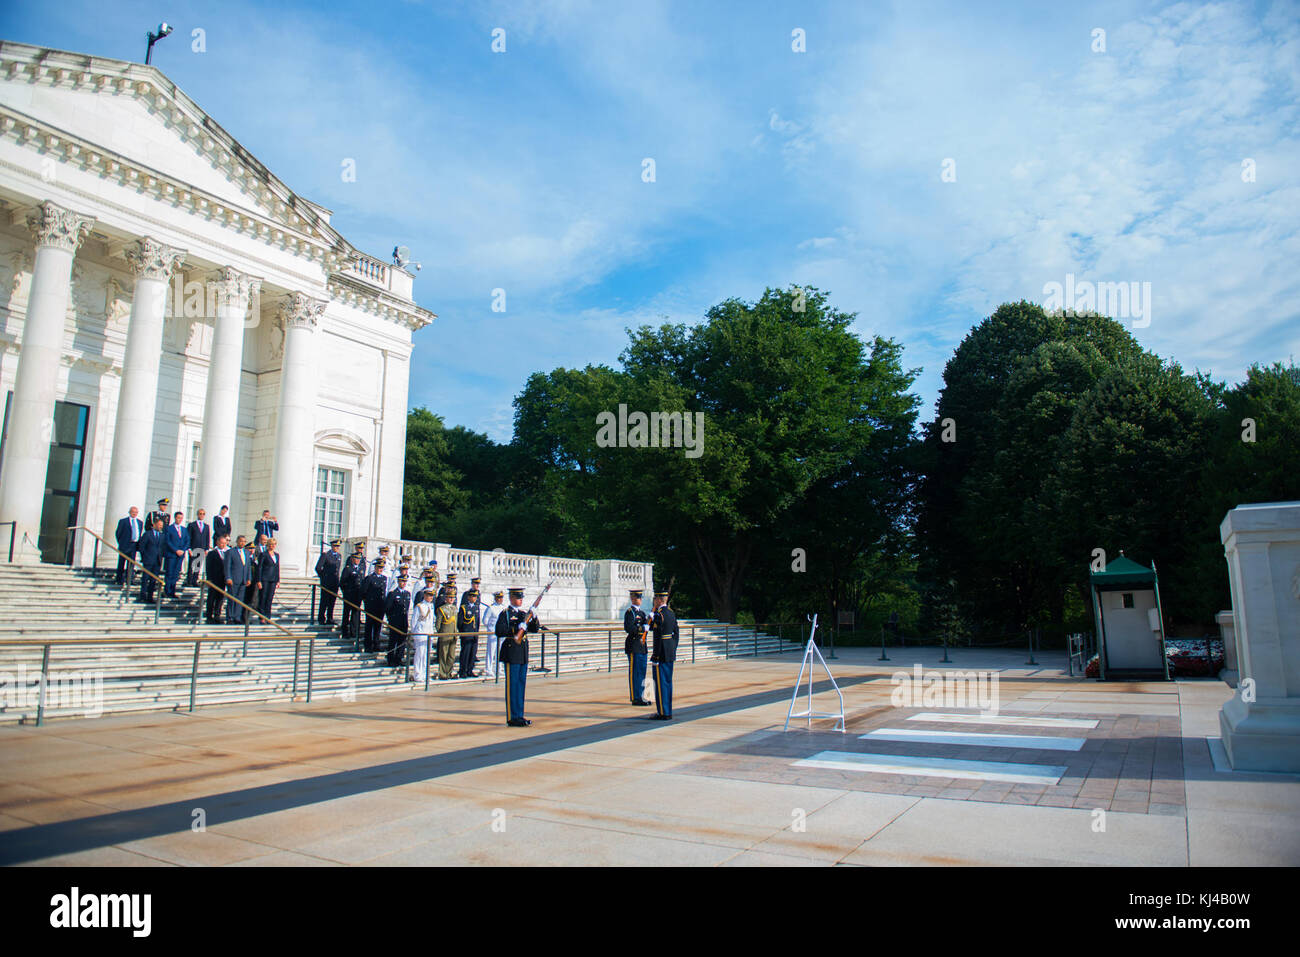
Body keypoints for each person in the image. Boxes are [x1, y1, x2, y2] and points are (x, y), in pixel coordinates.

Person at [496, 586, 540, 726]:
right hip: (511, 652)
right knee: (512, 685)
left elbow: (534, 629)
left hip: (522, 653)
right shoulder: (505, 614)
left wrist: (534, 616)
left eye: (521, 598)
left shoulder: (523, 614)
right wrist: (516, 628)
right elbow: (500, 630)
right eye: (518, 597)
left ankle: (519, 715)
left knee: (521, 685)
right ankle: (512, 717)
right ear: (511, 598)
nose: (520, 600)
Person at [648, 590, 678, 721]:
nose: (654, 601)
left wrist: (656, 656)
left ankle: (663, 712)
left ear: (659, 600)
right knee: (668, 682)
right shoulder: (671, 614)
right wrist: (672, 648)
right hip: (670, 651)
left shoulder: (659, 615)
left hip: (661, 653)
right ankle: (668, 710)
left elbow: (657, 637)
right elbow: (676, 633)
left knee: (660, 683)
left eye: (655, 599)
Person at [623, 589, 652, 706]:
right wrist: (641, 629)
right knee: (635, 672)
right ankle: (635, 697)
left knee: (642, 672)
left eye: (641, 598)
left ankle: (641, 695)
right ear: (633, 599)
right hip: (634, 646)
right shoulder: (630, 613)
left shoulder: (642, 613)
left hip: (642, 646)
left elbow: (647, 626)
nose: (640, 600)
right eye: (638, 598)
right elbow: (628, 628)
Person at [361, 558, 389, 653]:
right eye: (378, 567)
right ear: (375, 567)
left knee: (378, 626)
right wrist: (367, 603)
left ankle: (376, 644)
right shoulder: (369, 578)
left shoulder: (384, 578)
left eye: (381, 568)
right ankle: (368, 645)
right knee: (369, 626)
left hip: (380, 606)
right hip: (371, 606)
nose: (380, 569)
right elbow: (364, 592)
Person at [410, 586, 437, 684]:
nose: (431, 597)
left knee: (426, 656)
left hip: (428, 634)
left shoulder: (431, 606)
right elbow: (414, 622)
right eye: (429, 595)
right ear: (425, 595)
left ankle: (425, 674)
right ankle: (418, 674)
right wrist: (415, 634)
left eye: (432, 595)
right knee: (419, 655)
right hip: (420, 634)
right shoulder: (419, 606)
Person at [386, 574, 412, 667]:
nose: (403, 583)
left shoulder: (407, 594)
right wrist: (390, 619)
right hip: (395, 621)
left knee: (402, 641)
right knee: (393, 641)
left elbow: (407, 608)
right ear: (398, 582)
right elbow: (388, 608)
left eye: (405, 582)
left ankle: (399, 658)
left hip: (403, 621)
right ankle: (390, 659)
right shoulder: (393, 594)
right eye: (402, 581)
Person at [137, 517, 165, 604]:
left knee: (153, 580)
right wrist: (144, 557)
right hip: (148, 560)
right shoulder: (147, 534)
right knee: (145, 579)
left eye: (162, 526)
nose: (160, 527)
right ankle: (143, 596)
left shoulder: (162, 536)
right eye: (159, 525)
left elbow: (163, 548)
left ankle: (150, 597)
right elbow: (141, 547)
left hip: (157, 561)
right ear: (154, 525)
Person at [224, 535, 251, 624]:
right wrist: (228, 577)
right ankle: (230, 617)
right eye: (241, 541)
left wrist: (248, 578)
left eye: (244, 541)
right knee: (232, 599)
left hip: (243, 580)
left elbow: (248, 567)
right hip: (233, 579)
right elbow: (227, 566)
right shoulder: (230, 552)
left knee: (240, 599)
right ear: (237, 541)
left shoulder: (246, 552)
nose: (242, 543)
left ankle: (237, 617)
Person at [315, 539, 343, 626]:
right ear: (332, 546)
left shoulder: (339, 556)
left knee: (332, 601)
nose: (337, 548)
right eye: (335, 546)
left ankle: (329, 618)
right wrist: (324, 577)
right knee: (324, 601)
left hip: (335, 582)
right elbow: (318, 568)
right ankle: (321, 618)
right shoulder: (326, 555)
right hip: (326, 582)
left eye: (338, 546)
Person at [114, 505, 143, 586]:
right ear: (130, 512)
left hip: (134, 545)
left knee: (131, 564)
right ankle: (119, 579)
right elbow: (118, 533)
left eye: (136, 512)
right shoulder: (123, 521)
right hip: (125, 545)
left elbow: (139, 534)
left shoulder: (140, 522)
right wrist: (121, 543)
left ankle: (129, 579)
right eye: (133, 512)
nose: (134, 514)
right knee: (121, 563)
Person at [457, 588, 482, 678]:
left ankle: (470, 670)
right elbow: (460, 622)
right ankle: (463, 671)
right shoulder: (464, 608)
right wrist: (463, 632)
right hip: (466, 634)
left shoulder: (476, 608)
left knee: (472, 653)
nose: (474, 598)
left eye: (475, 596)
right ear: (469, 597)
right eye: (473, 596)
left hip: (474, 634)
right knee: (465, 653)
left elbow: (478, 621)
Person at [436, 583, 459, 679]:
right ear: (446, 598)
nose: (451, 600)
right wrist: (441, 633)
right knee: (443, 655)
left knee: (451, 656)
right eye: (450, 598)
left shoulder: (455, 608)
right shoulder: (442, 609)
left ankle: (449, 672)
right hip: (445, 634)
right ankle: (442, 673)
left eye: (453, 598)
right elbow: (438, 624)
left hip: (453, 634)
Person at [163, 510, 189, 597]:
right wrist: (175, 550)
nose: (180, 519)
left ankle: (172, 591)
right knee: (169, 573)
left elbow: (187, 541)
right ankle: (167, 591)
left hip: (180, 555)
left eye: (181, 518)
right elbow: (167, 541)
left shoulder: (184, 529)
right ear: (175, 518)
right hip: (172, 554)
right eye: (178, 518)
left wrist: (183, 550)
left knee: (176, 574)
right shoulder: (169, 528)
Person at [204, 533, 229, 623]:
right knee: (211, 598)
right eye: (221, 543)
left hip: (222, 579)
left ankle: (217, 615)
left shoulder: (227, 553)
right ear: (217, 543)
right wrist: (209, 578)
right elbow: (208, 566)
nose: (223, 545)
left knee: (220, 598)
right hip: (214, 579)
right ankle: (209, 616)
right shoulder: (212, 553)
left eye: (224, 543)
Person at [340, 552, 364, 640]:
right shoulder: (348, 569)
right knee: (346, 613)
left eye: (359, 559)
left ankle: (354, 632)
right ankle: (345, 632)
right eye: (356, 559)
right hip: (349, 595)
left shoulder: (361, 569)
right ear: (352, 559)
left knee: (355, 614)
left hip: (357, 596)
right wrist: (346, 593)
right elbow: (342, 582)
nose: (357, 560)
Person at [481, 590, 505, 677]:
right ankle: (488, 669)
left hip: (501, 632)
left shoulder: (503, 608)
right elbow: (485, 620)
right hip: (493, 632)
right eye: (499, 597)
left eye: (501, 597)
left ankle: (499, 668)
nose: (500, 599)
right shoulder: (491, 608)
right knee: (491, 651)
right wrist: (490, 628)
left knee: (500, 651)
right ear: (495, 598)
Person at [255, 538, 281, 619]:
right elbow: (260, 567)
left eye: (273, 544)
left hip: (273, 579)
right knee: (263, 597)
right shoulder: (263, 554)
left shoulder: (277, 555)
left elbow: (277, 567)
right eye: (270, 544)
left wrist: (278, 580)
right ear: (267, 545)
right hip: (264, 578)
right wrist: (258, 580)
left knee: (270, 598)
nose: (272, 546)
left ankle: (267, 615)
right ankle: (262, 616)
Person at [185, 508, 210, 587]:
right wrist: (189, 548)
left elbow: (207, 538)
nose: (201, 515)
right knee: (191, 565)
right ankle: (189, 580)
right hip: (193, 548)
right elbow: (188, 537)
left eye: (203, 514)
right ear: (197, 514)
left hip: (202, 548)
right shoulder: (192, 525)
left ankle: (194, 580)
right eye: (200, 513)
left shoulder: (206, 526)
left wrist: (206, 549)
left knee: (198, 565)